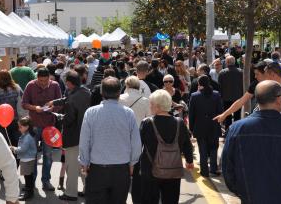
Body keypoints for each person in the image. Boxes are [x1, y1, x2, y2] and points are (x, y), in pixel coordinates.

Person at [222, 80, 281, 203]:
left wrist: (242, 192)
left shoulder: (237, 129)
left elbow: (228, 168)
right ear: (278, 99)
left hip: (251, 197)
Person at [78, 76, 141, 203]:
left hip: (97, 168)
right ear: (119, 92)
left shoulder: (91, 112)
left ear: (101, 92)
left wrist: (84, 162)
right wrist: (133, 163)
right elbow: (136, 142)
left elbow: (85, 141)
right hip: (121, 168)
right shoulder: (128, 113)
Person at [140, 90, 194, 203]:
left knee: (150, 199)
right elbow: (187, 144)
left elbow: (138, 145)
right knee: (171, 199)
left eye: (151, 104)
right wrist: (189, 161)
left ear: (157, 106)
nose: (150, 106)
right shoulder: (179, 122)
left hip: (150, 169)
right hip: (173, 169)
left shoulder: (147, 123)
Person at [46, 71, 91, 201]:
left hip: (73, 136)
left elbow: (69, 119)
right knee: (83, 164)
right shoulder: (85, 92)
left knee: (71, 166)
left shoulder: (73, 98)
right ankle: (87, 189)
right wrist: (54, 102)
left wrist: (58, 117)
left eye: (67, 83)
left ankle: (71, 193)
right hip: (85, 134)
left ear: (70, 83)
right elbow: (66, 99)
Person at [21, 68, 61, 191]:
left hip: (49, 127)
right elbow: (24, 103)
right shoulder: (30, 85)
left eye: (45, 81)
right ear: (37, 78)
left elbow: (59, 104)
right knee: (32, 155)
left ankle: (46, 181)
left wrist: (52, 109)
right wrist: (35, 108)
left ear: (49, 78)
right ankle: (31, 182)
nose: (43, 83)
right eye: (41, 81)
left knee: (48, 155)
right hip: (34, 125)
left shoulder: (55, 86)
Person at [119, 75, 150, 203]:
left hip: (121, 138)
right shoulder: (145, 101)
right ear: (138, 87)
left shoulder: (119, 99)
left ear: (126, 86)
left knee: (121, 170)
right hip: (139, 138)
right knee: (137, 170)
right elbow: (149, 120)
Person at [189, 75, 223, 177]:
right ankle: (213, 168)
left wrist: (191, 128)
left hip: (200, 126)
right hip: (213, 124)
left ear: (199, 84)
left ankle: (204, 170)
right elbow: (220, 111)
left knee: (202, 148)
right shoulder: (216, 95)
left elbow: (192, 114)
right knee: (214, 147)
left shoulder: (194, 96)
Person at [0, 70, 23, 148]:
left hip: (2, 120)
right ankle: (16, 159)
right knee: (16, 141)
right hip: (15, 119)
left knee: (5, 142)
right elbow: (23, 99)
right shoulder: (17, 87)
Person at [10, 116, 37, 201]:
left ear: (27, 127)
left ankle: (29, 192)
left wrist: (14, 148)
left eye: (20, 127)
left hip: (27, 159)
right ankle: (29, 189)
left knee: (28, 176)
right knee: (28, 176)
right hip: (28, 158)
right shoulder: (27, 135)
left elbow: (22, 149)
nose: (19, 129)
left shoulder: (27, 137)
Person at [217, 56, 243, 132]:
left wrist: (221, 96)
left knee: (227, 115)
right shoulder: (240, 72)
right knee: (237, 116)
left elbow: (219, 86)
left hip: (226, 98)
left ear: (227, 62)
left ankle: (228, 131)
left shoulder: (222, 73)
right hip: (238, 97)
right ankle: (237, 130)